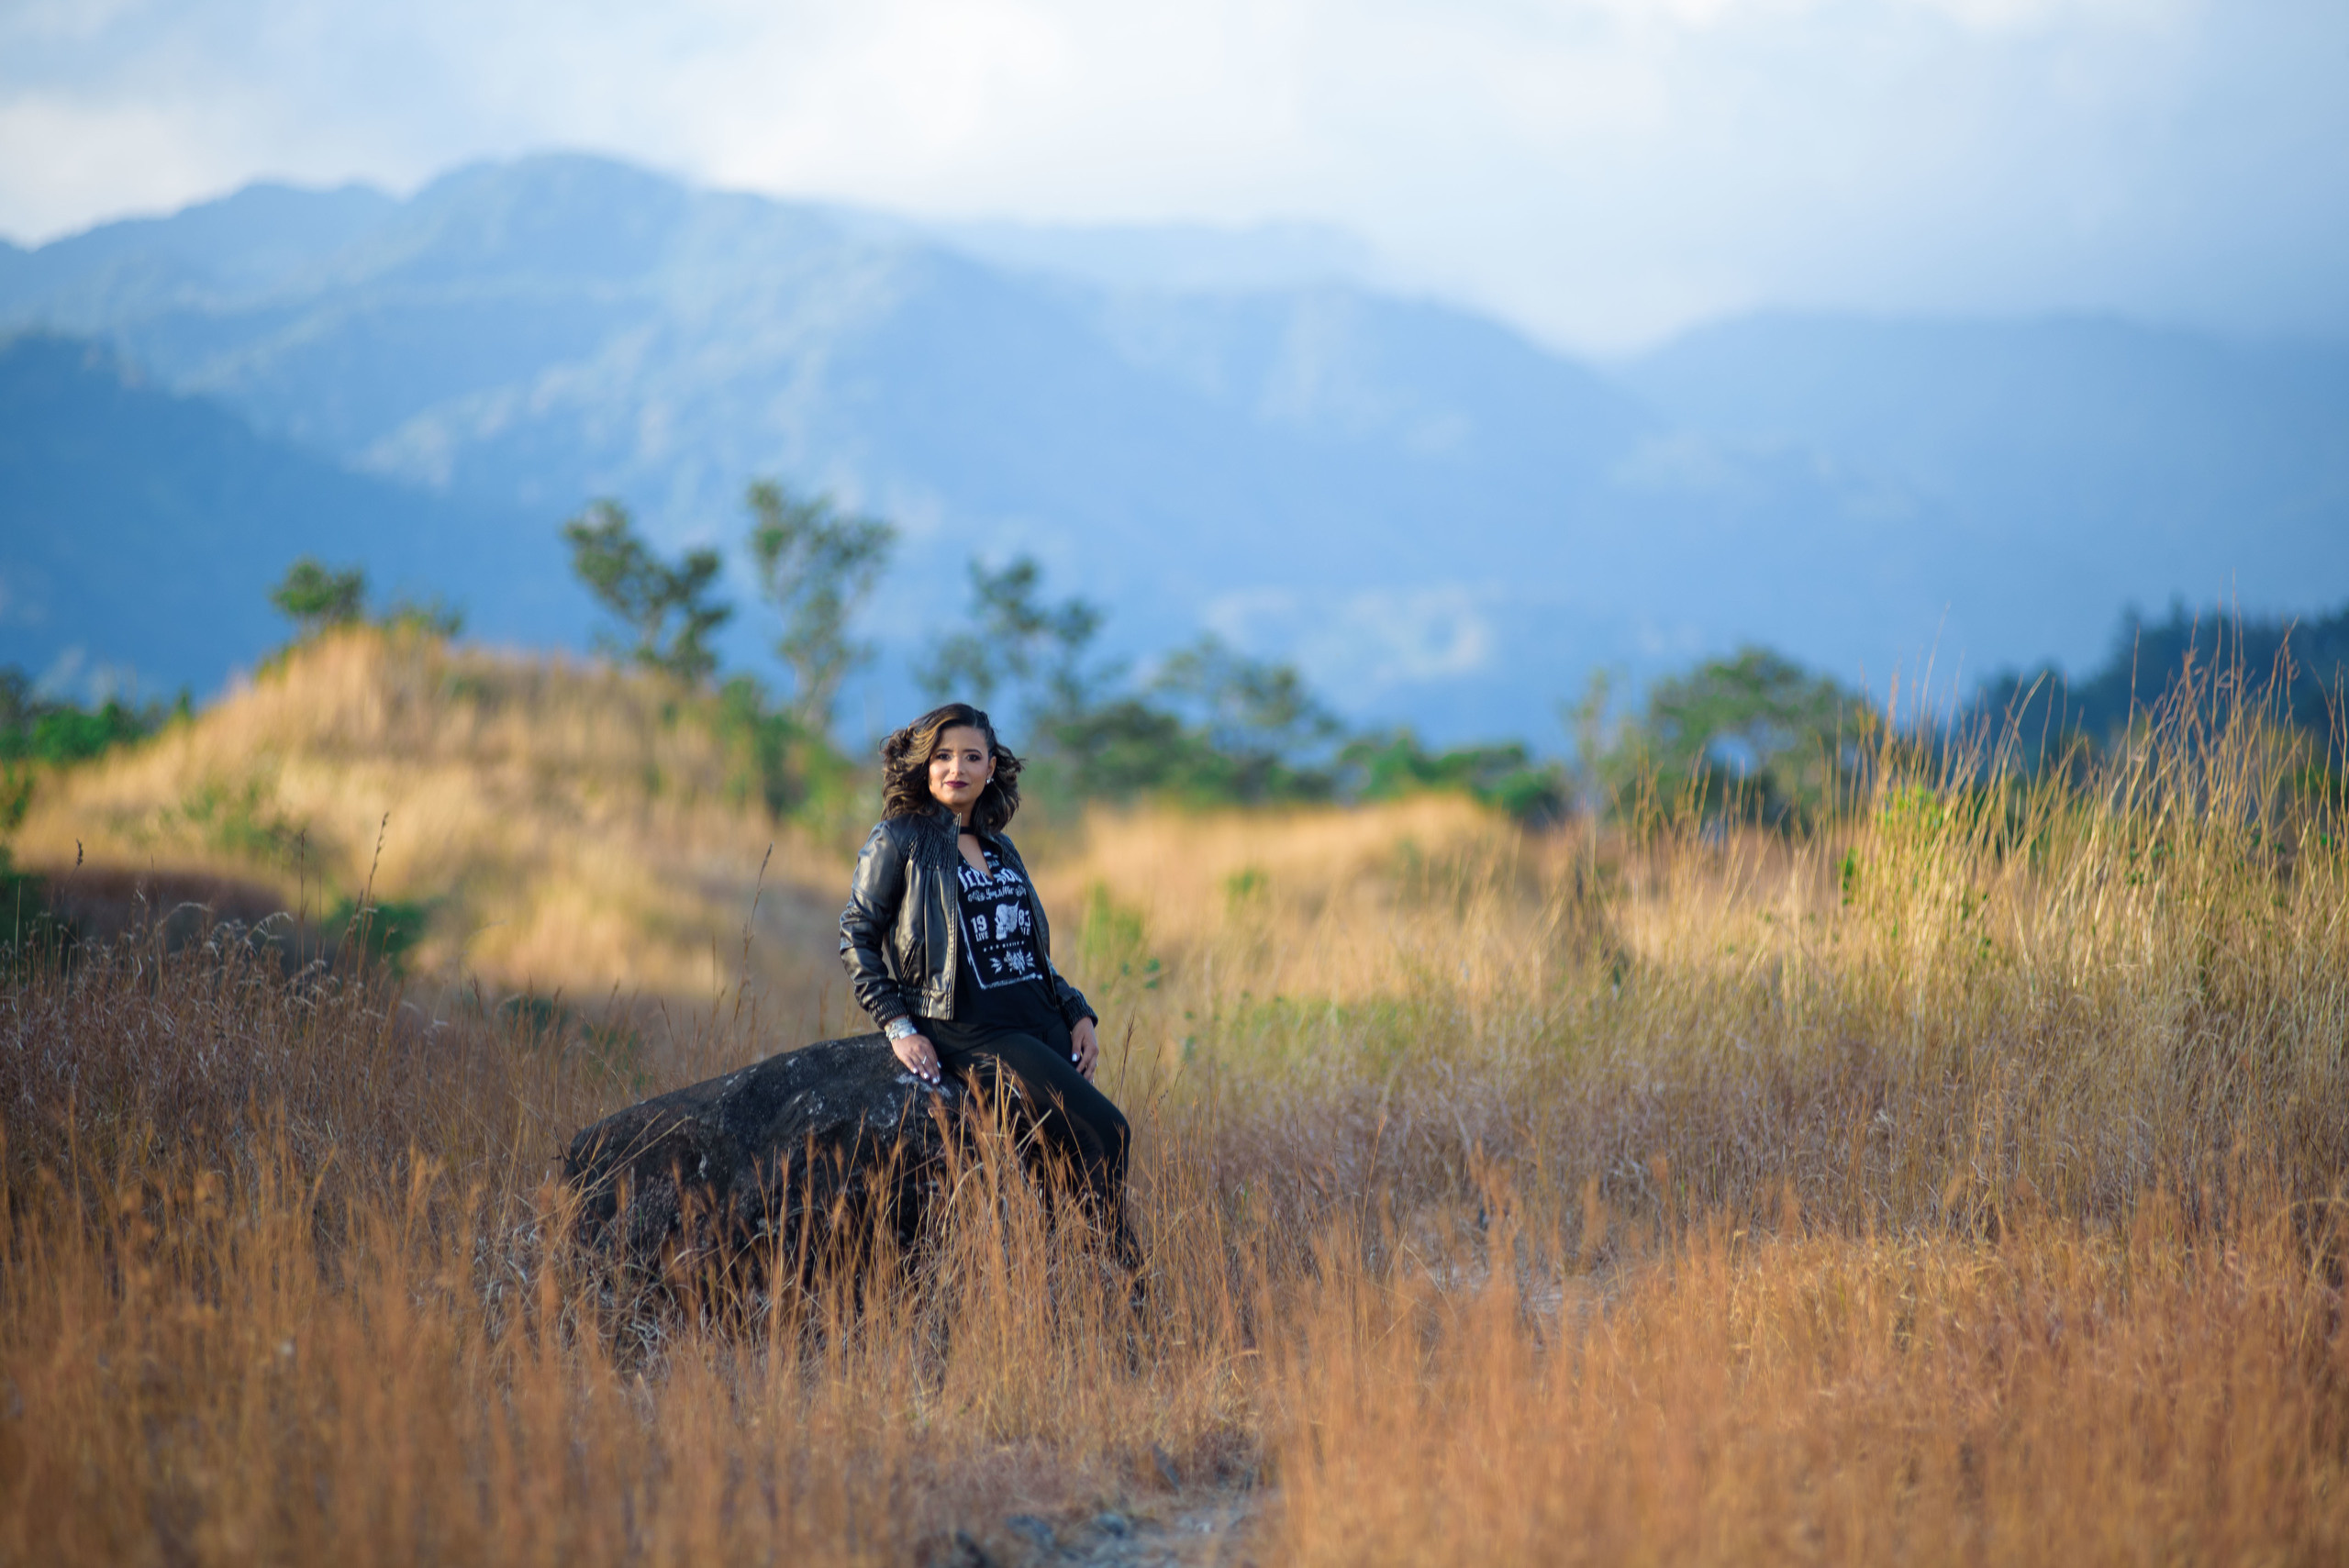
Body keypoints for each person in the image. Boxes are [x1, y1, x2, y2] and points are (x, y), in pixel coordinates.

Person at [839, 701, 1134, 1251]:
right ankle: (1128, 1277)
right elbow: (856, 935)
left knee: (1058, 1170)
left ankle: (1074, 1281)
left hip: (1040, 1023)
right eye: (943, 756)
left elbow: (1028, 949)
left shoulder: (1001, 847)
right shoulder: (898, 838)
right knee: (1108, 1132)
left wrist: (1076, 1011)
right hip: (973, 1031)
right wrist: (898, 1026)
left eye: (972, 757)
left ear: (991, 767)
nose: (957, 769)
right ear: (924, 765)